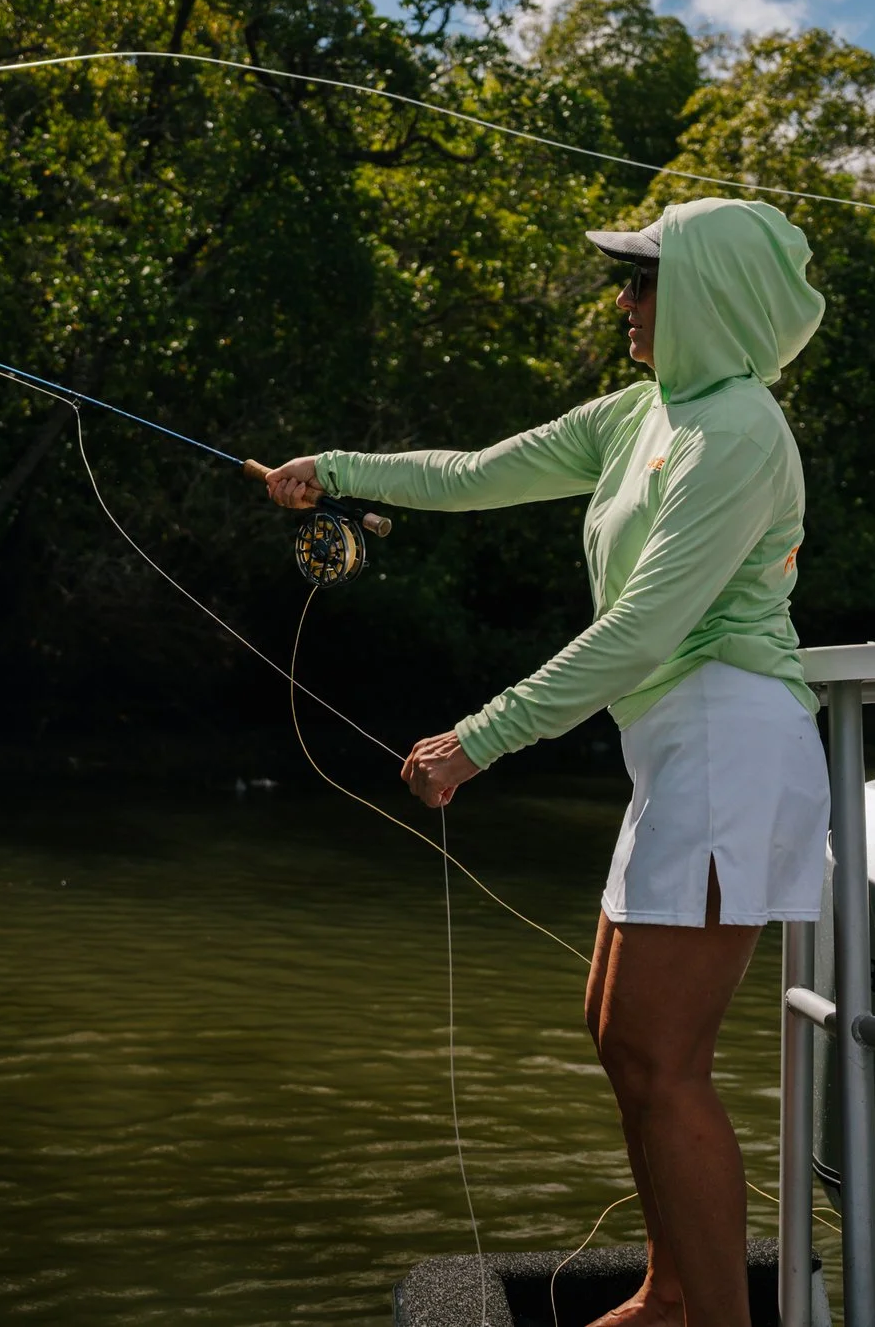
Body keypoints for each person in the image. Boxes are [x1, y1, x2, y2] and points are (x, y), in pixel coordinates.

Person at [264, 196, 827, 1327]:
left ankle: (711, 1318)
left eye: (643, 279)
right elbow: (475, 472)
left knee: (664, 1058)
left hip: (728, 740)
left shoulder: (736, 432)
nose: (623, 299)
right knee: (620, 1038)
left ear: (709, 294)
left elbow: (644, 628)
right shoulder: (643, 412)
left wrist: (480, 737)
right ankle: (671, 1292)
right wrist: (337, 469)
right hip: (678, 745)